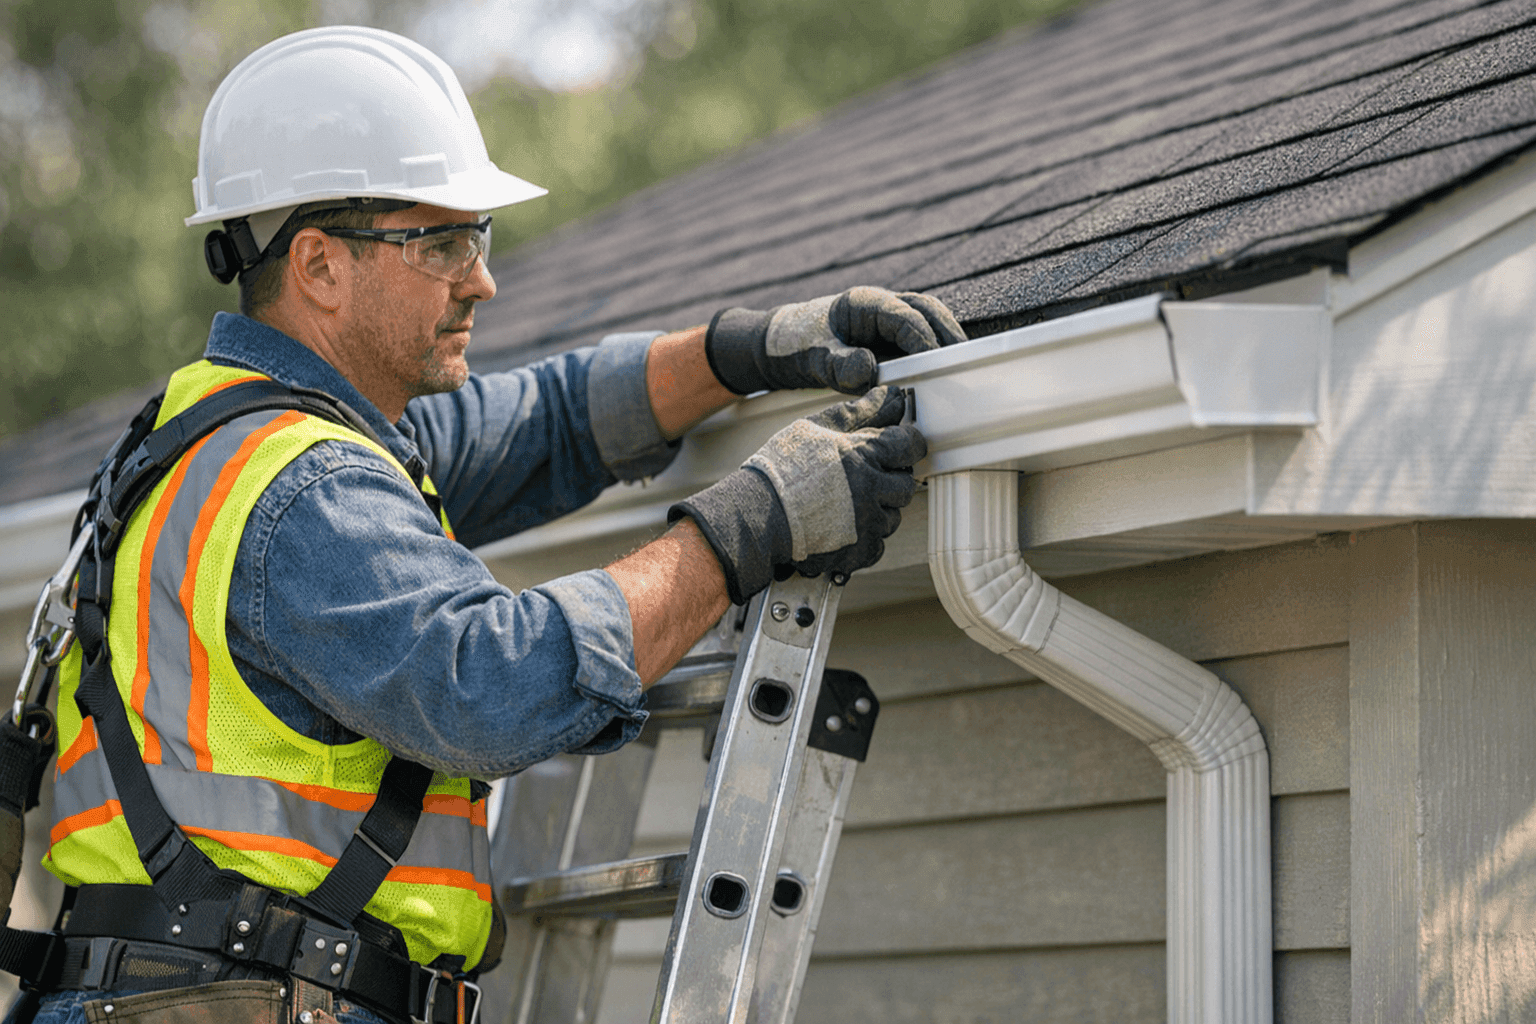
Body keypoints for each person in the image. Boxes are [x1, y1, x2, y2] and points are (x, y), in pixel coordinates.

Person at [14, 25, 965, 1024]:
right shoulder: (307, 490)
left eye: (479, 238)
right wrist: (752, 525)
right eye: (443, 243)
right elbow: (489, 684)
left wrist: (746, 351)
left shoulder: (218, 439)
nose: (482, 279)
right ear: (320, 264)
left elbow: (549, 421)